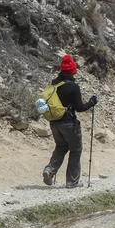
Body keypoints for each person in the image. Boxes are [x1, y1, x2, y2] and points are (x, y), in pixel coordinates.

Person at [42, 55, 98, 188]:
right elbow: (79, 108)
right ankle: (72, 182)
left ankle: (49, 170)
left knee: (61, 147)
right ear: (72, 71)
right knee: (75, 149)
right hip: (69, 123)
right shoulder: (73, 87)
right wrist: (91, 103)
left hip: (54, 122)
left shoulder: (54, 83)